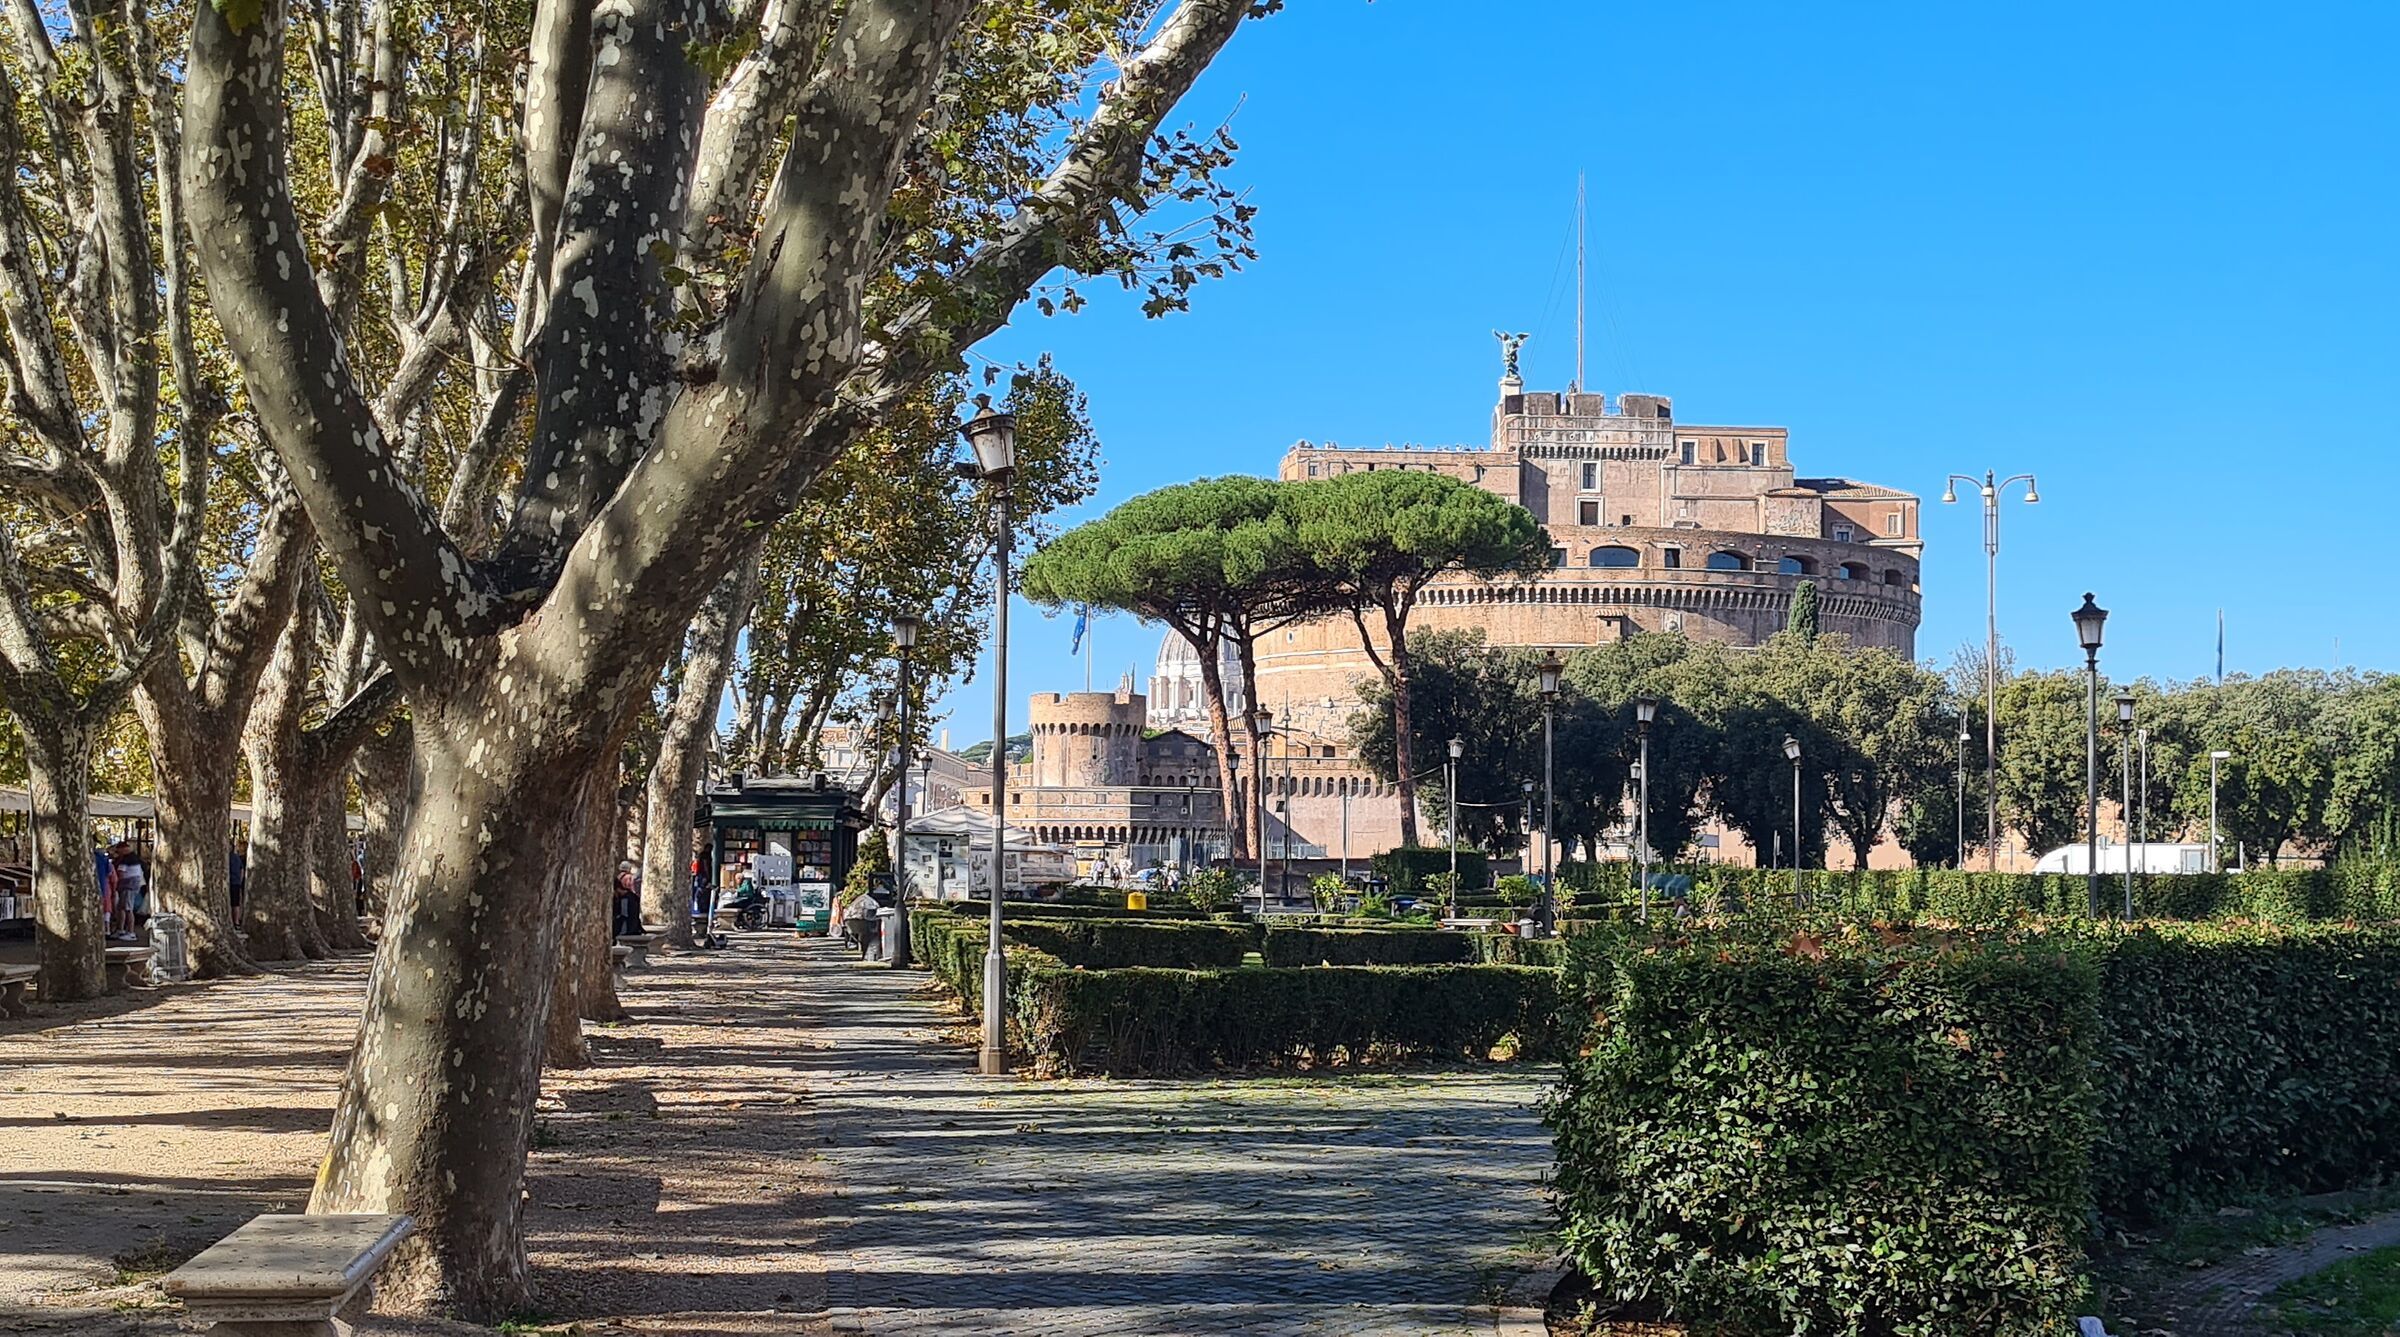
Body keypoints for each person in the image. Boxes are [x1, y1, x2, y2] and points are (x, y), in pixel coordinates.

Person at [611, 866, 643, 939]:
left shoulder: (625, 899)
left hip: (627, 930)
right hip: (634, 928)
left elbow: (624, 915)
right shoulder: (633, 896)